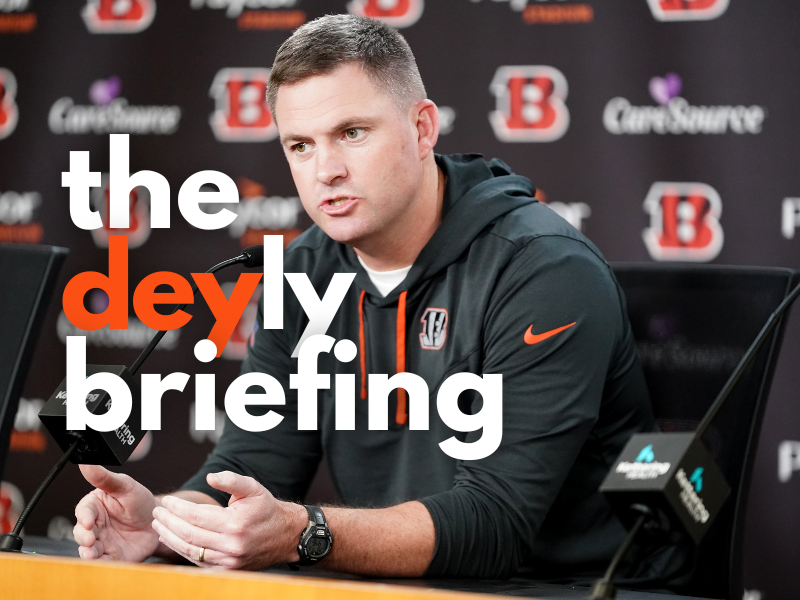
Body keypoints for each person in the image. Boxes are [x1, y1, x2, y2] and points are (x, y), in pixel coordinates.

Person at [73, 14, 657, 580]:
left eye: (351, 133)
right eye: (300, 145)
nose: (325, 169)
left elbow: (495, 521)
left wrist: (305, 533)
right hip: (403, 586)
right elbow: (255, 463)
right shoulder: (300, 271)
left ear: (423, 128)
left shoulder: (542, 269)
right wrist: (167, 524)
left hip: (571, 588)